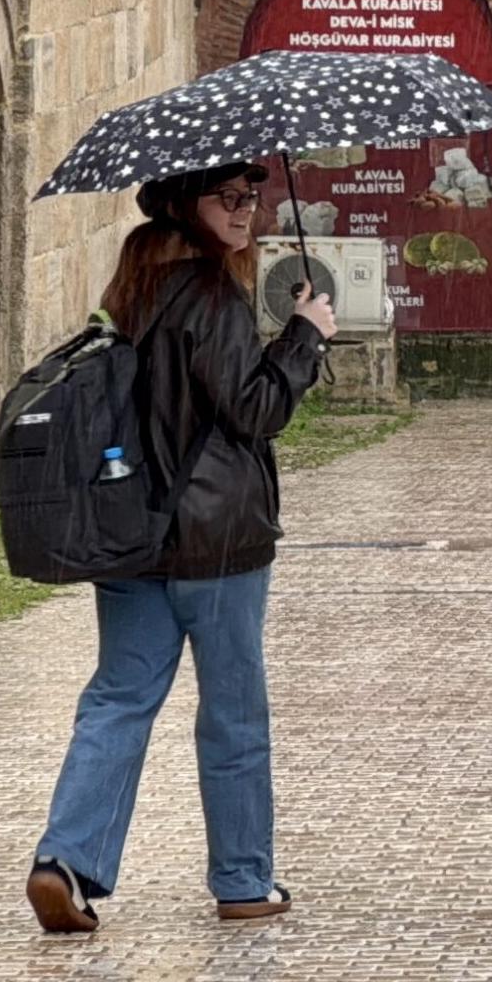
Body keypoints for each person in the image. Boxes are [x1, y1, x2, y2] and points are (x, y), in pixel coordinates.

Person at [26, 162, 336, 934]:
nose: (246, 210)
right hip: (219, 541)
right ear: (186, 207)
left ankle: (64, 860)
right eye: (227, 197)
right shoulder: (209, 296)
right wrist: (306, 337)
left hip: (130, 536)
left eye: (252, 196)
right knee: (232, 710)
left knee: (117, 701)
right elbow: (255, 410)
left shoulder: (124, 298)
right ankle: (242, 878)